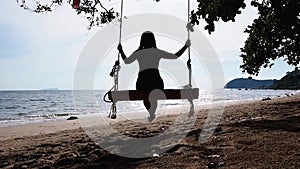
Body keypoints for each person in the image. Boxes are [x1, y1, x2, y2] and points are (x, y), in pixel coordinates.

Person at [117, 31, 191, 122]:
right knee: (153, 95)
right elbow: (175, 56)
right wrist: (185, 46)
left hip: (142, 82)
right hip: (156, 82)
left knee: (145, 95)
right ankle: (152, 113)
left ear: (142, 41)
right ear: (153, 41)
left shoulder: (139, 52)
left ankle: (151, 113)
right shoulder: (156, 52)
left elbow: (127, 61)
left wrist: (121, 51)